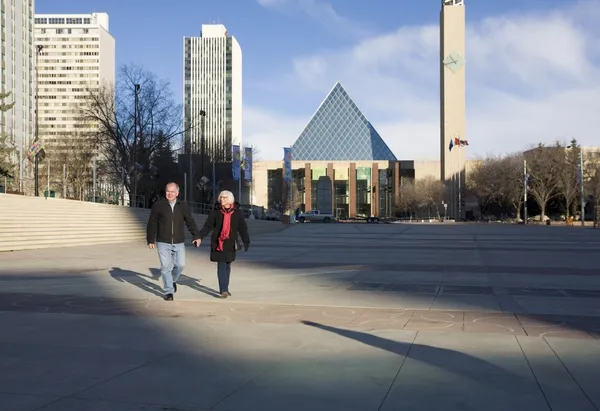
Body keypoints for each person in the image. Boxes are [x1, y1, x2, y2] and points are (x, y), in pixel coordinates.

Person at [146, 182, 201, 301]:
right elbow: (152, 223)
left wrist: (196, 236)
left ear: (177, 193)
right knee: (165, 266)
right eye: (167, 191)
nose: (170, 194)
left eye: (172, 191)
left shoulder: (183, 206)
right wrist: (151, 239)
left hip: (178, 241)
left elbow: (189, 221)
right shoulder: (158, 205)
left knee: (180, 265)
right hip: (162, 241)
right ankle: (168, 291)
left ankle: (172, 280)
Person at [197, 190, 250, 298]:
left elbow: (242, 228)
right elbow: (207, 227)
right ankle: (223, 290)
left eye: (225, 198)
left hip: (231, 243)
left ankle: (225, 287)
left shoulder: (237, 212)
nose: (222, 199)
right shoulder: (215, 212)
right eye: (221, 197)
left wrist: (246, 241)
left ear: (230, 199)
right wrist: (199, 237)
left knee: (227, 265)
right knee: (221, 265)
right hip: (218, 242)